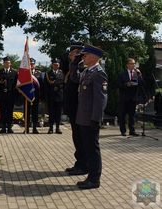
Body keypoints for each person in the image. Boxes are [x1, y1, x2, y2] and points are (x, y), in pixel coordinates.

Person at [76, 44, 108, 189]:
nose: (83, 57)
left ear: (94, 57)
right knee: (87, 148)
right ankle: (90, 176)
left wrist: (96, 119)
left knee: (92, 149)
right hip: (83, 117)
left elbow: (100, 99)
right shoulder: (87, 72)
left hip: (91, 119)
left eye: (85, 55)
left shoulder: (98, 73)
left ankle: (94, 179)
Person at [63, 43, 88, 175]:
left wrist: (75, 62)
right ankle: (79, 163)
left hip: (79, 109)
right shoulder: (73, 67)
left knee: (80, 138)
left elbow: (75, 79)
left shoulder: (82, 68)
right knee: (76, 137)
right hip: (73, 109)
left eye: (72, 53)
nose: (69, 55)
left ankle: (83, 165)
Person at [118, 58, 143, 136]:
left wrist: (140, 75)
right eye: (131, 64)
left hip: (133, 98)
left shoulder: (136, 73)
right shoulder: (122, 74)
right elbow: (118, 85)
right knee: (122, 115)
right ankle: (123, 131)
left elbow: (142, 84)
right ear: (127, 65)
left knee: (132, 115)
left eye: (134, 64)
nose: (133, 65)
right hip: (124, 98)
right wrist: (126, 85)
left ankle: (132, 131)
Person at [0, 56, 18, 133]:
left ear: (10, 64)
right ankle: (3, 127)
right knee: (3, 111)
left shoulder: (14, 72)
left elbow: (16, 85)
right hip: (2, 96)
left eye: (8, 63)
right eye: (5, 63)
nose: (7, 64)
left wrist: (15, 95)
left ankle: (9, 127)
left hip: (11, 95)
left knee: (10, 112)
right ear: (3, 63)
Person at [44, 58, 64, 134]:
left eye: (57, 65)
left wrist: (57, 85)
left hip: (59, 96)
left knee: (58, 113)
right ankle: (51, 128)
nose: (56, 66)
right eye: (54, 64)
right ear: (52, 65)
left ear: (59, 65)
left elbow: (63, 83)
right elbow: (46, 86)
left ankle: (58, 128)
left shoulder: (61, 73)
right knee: (51, 113)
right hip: (51, 96)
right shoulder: (48, 73)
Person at [24, 58, 43, 134]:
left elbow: (41, 85)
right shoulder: (25, 73)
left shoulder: (39, 73)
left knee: (35, 112)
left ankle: (34, 128)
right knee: (27, 112)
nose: (31, 65)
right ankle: (26, 128)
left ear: (34, 64)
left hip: (36, 95)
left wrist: (41, 96)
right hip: (27, 95)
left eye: (32, 64)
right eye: (30, 64)